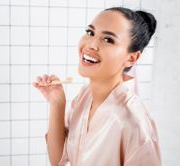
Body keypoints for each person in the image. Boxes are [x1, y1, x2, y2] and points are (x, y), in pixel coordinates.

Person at [33, 7, 161, 166]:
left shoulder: (134, 124)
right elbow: (57, 159)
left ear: (131, 58)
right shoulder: (84, 97)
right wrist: (57, 104)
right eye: (90, 32)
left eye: (108, 40)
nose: (91, 44)